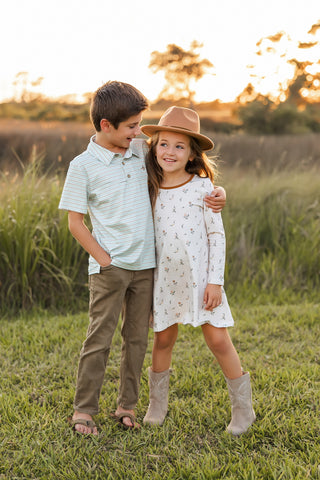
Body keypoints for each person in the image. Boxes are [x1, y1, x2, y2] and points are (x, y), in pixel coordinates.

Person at [59, 82, 226, 435]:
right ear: (106, 126)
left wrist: (218, 191)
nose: (141, 134)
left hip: (147, 268)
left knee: (136, 340)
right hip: (109, 268)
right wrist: (103, 258)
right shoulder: (82, 166)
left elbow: (181, 162)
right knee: (99, 339)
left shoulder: (139, 152)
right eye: (133, 126)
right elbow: (75, 222)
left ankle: (127, 406)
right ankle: (84, 411)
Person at [141, 106, 256, 436]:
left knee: (218, 339)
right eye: (163, 144)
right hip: (165, 280)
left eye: (180, 146)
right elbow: (130, 141)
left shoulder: (203, 187)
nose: (170, 152)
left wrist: (215, 282)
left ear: (192, 153)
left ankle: (242, 410)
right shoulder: (148, 184)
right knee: (163, 338)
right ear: (154, 146)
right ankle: (157, 405)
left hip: (201, 280)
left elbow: (216, 235)